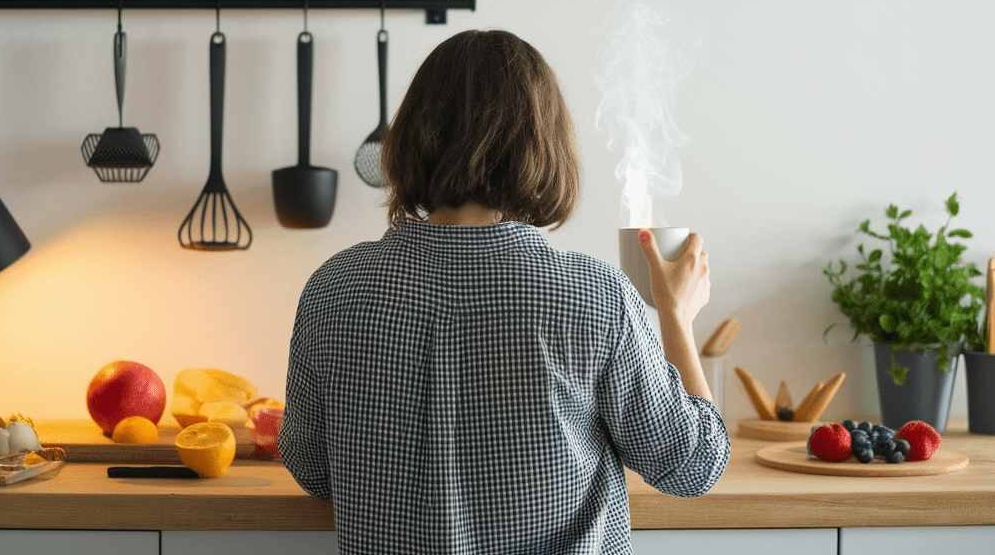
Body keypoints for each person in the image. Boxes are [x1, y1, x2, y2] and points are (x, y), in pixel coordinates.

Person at [279, 29, 729, 554]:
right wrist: (675, 314)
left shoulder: (332, 290)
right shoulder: (595, 296)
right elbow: (692, 467)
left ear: (410, 137)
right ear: (543, 145)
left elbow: (312, 468)